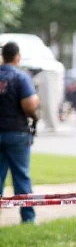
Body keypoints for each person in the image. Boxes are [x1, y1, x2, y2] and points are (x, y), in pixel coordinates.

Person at [0, 41, 40, 224]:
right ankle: (28, 218)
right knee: (21, 176)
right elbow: (29, 105)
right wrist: (35, 116)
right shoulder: (21, 77)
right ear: (17, 56)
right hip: (16, 132)